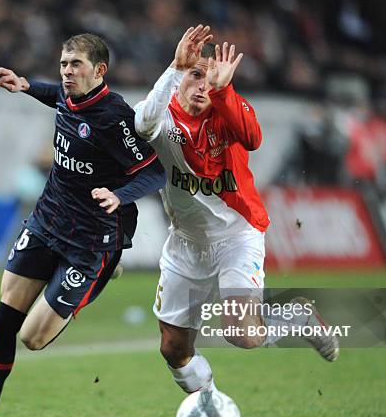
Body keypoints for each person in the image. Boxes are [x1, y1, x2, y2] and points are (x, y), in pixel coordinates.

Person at [0, 31, 183, 417]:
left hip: (91, 241)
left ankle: (103, 271)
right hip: (47, 221)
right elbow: (60, 99)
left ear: (99, 71)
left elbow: (155, 172)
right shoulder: (70, 95)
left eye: (76, 65)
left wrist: (117, 195)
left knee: (32, 338)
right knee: (4, 317)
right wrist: (27, 86)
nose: (67, 72)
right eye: (64, 64)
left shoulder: (114, 117)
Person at [134, 29, 339, 395]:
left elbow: (253, 138)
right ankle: (208, 404)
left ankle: (298, 319)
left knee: (242, 334)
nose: (202, 84)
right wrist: (172, 69)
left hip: (237, 235)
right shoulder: (163, 116)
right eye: (195, 74)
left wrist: (222, 90)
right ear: (181, 74)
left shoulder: (226, 108)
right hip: (185, 242)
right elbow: (141, 125)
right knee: (173, 348)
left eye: (210, 76)